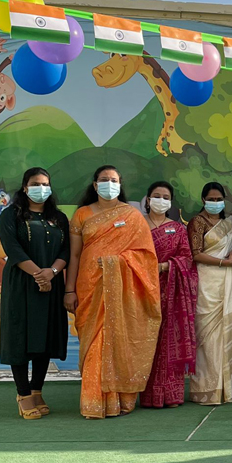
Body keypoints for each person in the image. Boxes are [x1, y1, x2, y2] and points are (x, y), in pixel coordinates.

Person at [64, 165, 161, 419]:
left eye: (114, 180)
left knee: (118, 337)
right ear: (95, 185)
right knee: (94, 340)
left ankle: (120, 400)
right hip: (89, 286)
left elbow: (146, 257)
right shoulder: (82, 215)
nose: (109, 184)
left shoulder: (133, 216)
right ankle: (94, 401)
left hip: (122, 290)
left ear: (120, 184)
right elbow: (74, 255)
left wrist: (115, 263)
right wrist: (69, 290)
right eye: (104, 180)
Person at [0, 167, 70, 419]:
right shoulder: (11, 216)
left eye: (45, 184)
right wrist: (39, 275)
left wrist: (51, 272)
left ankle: (37, 390)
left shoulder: (59, 218)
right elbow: (13, 250)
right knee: (20, 335)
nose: (41, 189)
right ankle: (23, 394)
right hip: (21, 283)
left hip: (52, 283)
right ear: (25, 187)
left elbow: (66, 252)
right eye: (35, 184)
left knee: (45, 336)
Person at [187, 183, 232, 405]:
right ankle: (208, 388)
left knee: (228, 333)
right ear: (203, 199)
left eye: (218, 199)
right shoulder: (197, 222)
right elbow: (195, 254)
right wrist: (225, 262)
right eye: (211, 199)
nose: (215, 203)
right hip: (207, 283)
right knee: (209, 337)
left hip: (228, 283)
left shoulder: (229, 225)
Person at [141, 181, 198, 409]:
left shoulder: (178, 228)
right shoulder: (137, 225)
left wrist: (165, 267)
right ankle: (146, 396)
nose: (161, 200)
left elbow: (187, 258)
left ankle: (172, 395)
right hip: (142, 290)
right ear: (147, 199)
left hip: (171, 291)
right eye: (156, 195)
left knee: (169, 341)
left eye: (166, 197)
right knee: (146, 341)